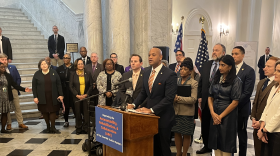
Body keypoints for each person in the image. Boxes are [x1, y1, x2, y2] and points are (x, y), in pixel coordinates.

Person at [128, 48, 177, 156]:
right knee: (152, 147)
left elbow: (169, 98)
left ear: (160, 57)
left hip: (163, 117)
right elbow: (143, 92)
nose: (150, 57)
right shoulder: (146, 72)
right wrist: (134, 104)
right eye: (149, 55)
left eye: (153, 55)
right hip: (148, 118)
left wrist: (151, 110)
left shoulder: (170, 74)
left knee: (163, 148)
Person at [208, 55, 242, 156]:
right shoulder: (216, 78)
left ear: (230, 67)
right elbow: (210, 96)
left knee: (226, 144)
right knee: (216, 143)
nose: (220, 67)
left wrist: (220, 116)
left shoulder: (236, 81)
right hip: (215, 114)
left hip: (228, 116)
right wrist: (213, 113)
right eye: (219, 65)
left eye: (223, 65)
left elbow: (235, 102)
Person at [196, 43, 226, 154]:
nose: (214, 52)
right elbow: (201, 82)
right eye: (213, 50)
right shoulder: (206, 64)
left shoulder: (225, 66)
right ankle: (207, 146)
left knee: (218, 125)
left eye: (217, 50)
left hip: (219, 101)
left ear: (223, 53)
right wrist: (199, 96)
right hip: (205, 100)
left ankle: (218, 147)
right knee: (205, 124)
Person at [251, 56, 279, 156]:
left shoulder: (275, 84)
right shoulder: (265, 83)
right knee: (259, 151)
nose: (264, 68)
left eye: (268, 66)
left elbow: (277, 113)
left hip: (272, 129)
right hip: (260, 126)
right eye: (265, 65)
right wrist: (254, 118)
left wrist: (263, 126)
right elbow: (258, 103)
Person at [232, 46, 256, 156]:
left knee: (241, 134)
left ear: (243, 55)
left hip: (241, 109)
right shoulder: (230, 69)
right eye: (232, 54)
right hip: (229, 109)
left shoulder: (249, 70)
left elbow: (247, 93)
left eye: (236, 54)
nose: (234, 56)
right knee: (230, 134)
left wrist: (233, 104)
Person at [172, 61, 198, 156]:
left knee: (186, 134)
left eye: (185, 69)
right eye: (181, 68)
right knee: (177, 133)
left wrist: (178, 98)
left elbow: (193, 99)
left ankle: (184, 154)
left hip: (187, 112)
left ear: (190, 72)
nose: (182, 71)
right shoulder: (176, 81)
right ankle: (178, 153)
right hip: (176, 111)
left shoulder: (194, 83)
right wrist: (172, 97)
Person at [32, 59, 64, 133]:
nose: (44, 65)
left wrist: (61, 95)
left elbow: (59, 84)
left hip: (53, 96)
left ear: (48, 64)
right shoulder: (37, 74)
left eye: (45, 64)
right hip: (42, 96)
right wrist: (35, 97)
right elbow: (34, 86)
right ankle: (48, 127)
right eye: (42, 64)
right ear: (40, 66)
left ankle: (53, 127)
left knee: (53, 111)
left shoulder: (54, 72)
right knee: (45, 111)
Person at [0, 54, 29, 130]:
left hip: (13, 90)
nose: (4, 61)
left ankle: (20, 122)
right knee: (6, 109)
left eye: (5, 59)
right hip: (2, 94)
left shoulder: (12, 68)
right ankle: (8, 124)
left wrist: (20, 88)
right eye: (2, 60)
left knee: (17, 106)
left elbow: (17, 78)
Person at [69, 58, 92, 134]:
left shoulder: (88, 73)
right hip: (77, 97)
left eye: (82, 63)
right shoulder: (73, 74)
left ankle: (86, 128)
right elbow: (71, 86)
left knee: (86, 113)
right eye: (79, 64)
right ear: (76, 65)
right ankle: (78, 128)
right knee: (78, 113)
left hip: (86, 96)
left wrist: (86, 94)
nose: (80, 65)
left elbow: (91, 85)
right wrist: (77, 95)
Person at [56, 54, 75, 127]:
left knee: (74, 105)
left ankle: (78, 120)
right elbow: (57, 80)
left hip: (72, 88)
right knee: (65, 106)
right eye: (64, 58)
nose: (66, 59)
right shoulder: (59, 69)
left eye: (67, 58)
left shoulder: (74, 67)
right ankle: (66, 120)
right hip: (63, 89)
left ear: (70, 59)